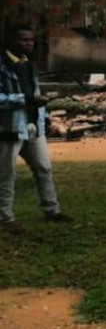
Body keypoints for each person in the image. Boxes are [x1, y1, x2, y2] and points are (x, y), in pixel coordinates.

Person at [0, 26, 72, 232]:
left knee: (44, 168)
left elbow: (35, 90)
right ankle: (5, 219)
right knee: (6, 174)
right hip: (8, 128)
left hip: (33, 125)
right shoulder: (3, 65)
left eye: (31, 40)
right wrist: (26, 99)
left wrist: (45, 118)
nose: (29, 44)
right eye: (24, 40)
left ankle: (52, 210)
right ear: (12, 40)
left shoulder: (28, 63)